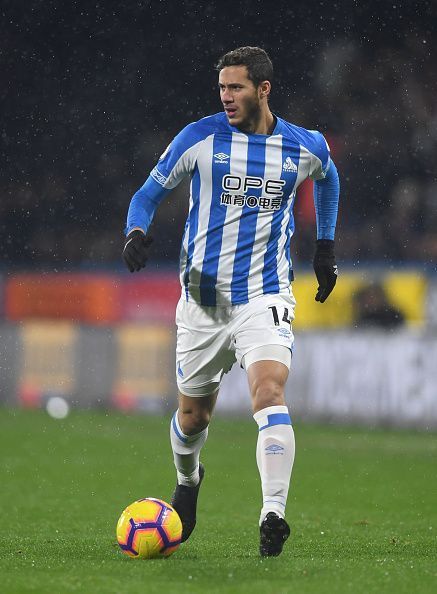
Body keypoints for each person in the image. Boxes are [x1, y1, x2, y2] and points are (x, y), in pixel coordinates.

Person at [122, 46, 340, 557]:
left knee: (269, 392)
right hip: (202, 303)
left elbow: (329, 178)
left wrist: (325, 247)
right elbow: (146, 195)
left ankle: (273, 514)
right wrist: (135, 231)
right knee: (193, 417)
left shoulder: (303, 146)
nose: (226, 97)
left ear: (263, 89)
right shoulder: (199, 138)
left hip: (264, 296)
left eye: (236, 87)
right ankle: (189, 479)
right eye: (222, 87)